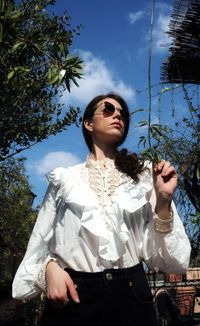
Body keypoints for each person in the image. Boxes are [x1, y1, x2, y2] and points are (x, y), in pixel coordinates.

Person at [12, 93, 191, 326]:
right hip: (73, 297)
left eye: (122, 113)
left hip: (132, 297)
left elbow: (169, 261)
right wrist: (49, 268)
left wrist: (164, 202)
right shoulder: (65, 180)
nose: (117, 114)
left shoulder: (145, 176)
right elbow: (38, 245)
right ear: (88, 123)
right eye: (108, 109)